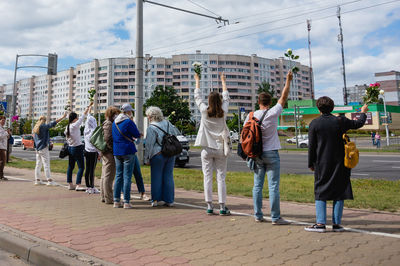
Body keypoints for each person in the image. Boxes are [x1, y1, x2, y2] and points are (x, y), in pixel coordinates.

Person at [306, 97, 368, 233]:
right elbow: (358, 123)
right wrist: (363, 112)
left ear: (318, 109)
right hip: (341, 162)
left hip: (321, 163)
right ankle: (337, 224)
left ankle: (320, 224)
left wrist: (311, 163)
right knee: (340, 191)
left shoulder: (314, 124)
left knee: (321, 190)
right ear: (332, 108)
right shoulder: (341, 121)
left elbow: (312, 146)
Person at [244, 71, 293, 224]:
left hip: (257, 154)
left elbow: (245, 135)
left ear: (258, 101)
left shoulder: (251, 115)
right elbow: (283, 97)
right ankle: (275, 217)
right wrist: (288, 80)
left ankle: (258, 215)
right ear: (269, 102)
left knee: (257, 185)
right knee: (273, 187)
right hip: (271, 152)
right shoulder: (273, 112)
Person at [194, 72, 231, 216]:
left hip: (207, 149)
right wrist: (223, 81)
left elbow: (197, 96)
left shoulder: (204, 111)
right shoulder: (224, 111)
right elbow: (227, 96)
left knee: (207, 177)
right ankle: (222, 207)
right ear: (220, 101)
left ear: (208, 101)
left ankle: (209, 205)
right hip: (221, 148)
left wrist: (197, 80)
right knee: (221, 177)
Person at [145, 106, 180, 207]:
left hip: (158, 154)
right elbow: (175, 135)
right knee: (168, 176)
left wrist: (147, 158)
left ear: (151, 116)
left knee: (156, 177)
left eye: (148, 116)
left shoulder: (151, 127)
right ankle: (169, 200)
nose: (147, 118)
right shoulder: (168, 123)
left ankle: (156, 199)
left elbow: (149, 144)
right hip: (170, 153)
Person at [112, 103, 141, 209]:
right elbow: (137, 134)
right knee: (127, 176)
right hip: (128, 150)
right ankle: (126, 201)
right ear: (128, 112)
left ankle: (116, 200)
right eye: (131, 111)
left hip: (117, 152)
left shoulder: (114, 122)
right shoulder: (128, 121)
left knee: (118, 175)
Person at [33, 113, 67, 186]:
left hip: (37, 148)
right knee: (46, 164)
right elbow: (53, 123)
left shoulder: (36, 127)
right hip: (43, 148)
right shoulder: (43, 126)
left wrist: (36, 148)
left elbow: (34, 139)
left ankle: (37, 180)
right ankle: (49, 180)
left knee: (38, 164)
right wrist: (63, 117)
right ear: (44, 120)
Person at [65, 103, 92, 191]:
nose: (77, 119)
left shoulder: (67, 127)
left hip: (70, 148)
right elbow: (83, 116)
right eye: (76, 117)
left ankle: (70, 184)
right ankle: (78, 184)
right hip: (77, 147)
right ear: (74, 119)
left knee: (70, 166)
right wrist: (88, 107)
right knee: (81, 167)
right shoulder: (75, 125)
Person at [100, 106, 120, 204]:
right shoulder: (109, 124)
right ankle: (108, 197)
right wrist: (114, 149)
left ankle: (104, 196)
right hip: (109, 153)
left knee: (105, 175)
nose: (117, 115)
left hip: (106, 152)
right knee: (108, 175)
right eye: (116, 113)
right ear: (112, 114)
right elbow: (108, 139)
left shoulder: (107, 123)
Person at [83, 114, 100, 194]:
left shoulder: (86, 130)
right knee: (92, 170)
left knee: (87, 169)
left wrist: (89, 109)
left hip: (86, 151)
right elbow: (96, 143)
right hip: (93, 152)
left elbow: (88, 117)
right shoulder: (94, 131)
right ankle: (92, 187)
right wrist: (99, 153)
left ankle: (88, 186)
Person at [0, 116, 11, 181]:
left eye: (4, 120)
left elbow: (4, 136)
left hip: (2, 146)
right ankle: (1, 176)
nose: (3, 122)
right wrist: (6, 133)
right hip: (0, 147)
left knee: (2, 161)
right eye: (2, 120)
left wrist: (8, 135)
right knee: (2, 161)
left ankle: (1, 175)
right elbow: (0, 136)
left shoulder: (2, 128)